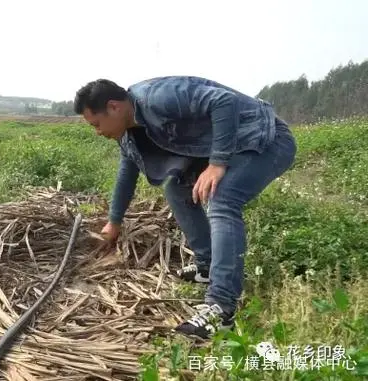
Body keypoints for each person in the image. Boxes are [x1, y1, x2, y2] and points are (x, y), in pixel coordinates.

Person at [73, 76, 297, 340]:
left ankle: (221, 308)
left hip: (266, 138)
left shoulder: (157, 96)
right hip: (236, 146)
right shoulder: (127, 134)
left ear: (114, 107)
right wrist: (114, 221)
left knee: (223, 198)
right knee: (176, 188)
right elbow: (127, 173)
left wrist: (217, 163)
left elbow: (224, 102)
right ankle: (207, 265)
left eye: (96, 124)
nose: (97, 132)